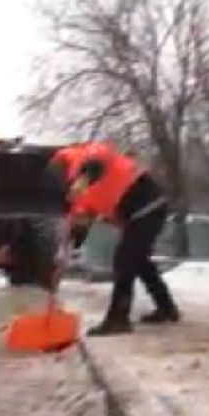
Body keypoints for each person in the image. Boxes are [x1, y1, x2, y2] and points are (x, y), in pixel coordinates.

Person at [52, 142, 180, 336]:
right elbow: (81, 219)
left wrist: (85, 176)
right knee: (139, 262)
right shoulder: (78, 195)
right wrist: (72, 239)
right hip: (138, 215)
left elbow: (99, 159)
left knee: (125, 261)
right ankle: (167, 308)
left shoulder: (82, 156)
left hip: (147, 204)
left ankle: (118, 319)